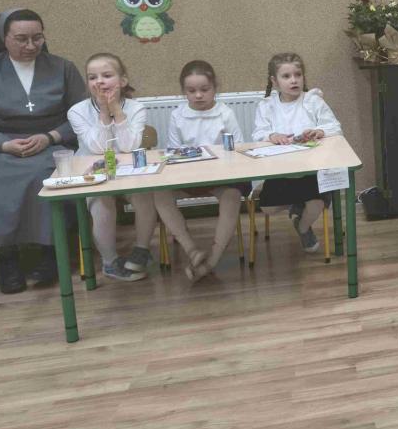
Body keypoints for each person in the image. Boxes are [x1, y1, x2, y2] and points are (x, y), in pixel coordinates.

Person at [0, 9, 87, 293]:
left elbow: (82, 115)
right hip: (2, 145)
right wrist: (3, 145)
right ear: (4, 38)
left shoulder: (63, 67)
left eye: (37, 38)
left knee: (48, 173)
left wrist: (50, 136)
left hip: (52, 142)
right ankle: (8, 258)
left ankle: (51, 254)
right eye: (21, 39)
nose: (31, 45)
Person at [68, 53, 160, 281]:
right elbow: (98, 148)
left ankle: (141, 250)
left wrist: (117, 111)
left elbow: (130, 146)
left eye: (107, 75)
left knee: (145, 195)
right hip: (95, 174)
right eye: (92, 77)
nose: (99, 81)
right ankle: (110, 261)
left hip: (128, 172)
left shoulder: (136, 108)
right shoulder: (76, 111)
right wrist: (103, 112)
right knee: (103, 202)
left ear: (123, 81)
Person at [151, 60, 246, 280]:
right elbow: (173, 151)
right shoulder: (178, 115)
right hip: (188, 177)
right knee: (160, 194)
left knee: (232, 196)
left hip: (221, 177)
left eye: (205, 89)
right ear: (184, 91)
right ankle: (192, 250)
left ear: (215, 88)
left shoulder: (225, 113)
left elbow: (238, 146)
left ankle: (212, 259)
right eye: (191, 91)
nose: (199, 95)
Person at [251, 52, 342, 254]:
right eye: (286, 76)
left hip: (311, 170)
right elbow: (258, 134)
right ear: (274, 81)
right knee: (267, 208)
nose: (294, 80)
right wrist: (272, 135)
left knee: (316, 204)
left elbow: (334, 127)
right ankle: (298, 205)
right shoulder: (267, 106)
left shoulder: (313, 101)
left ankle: (302, 226)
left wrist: (320, 131)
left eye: (298, 75)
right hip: (281, 170)